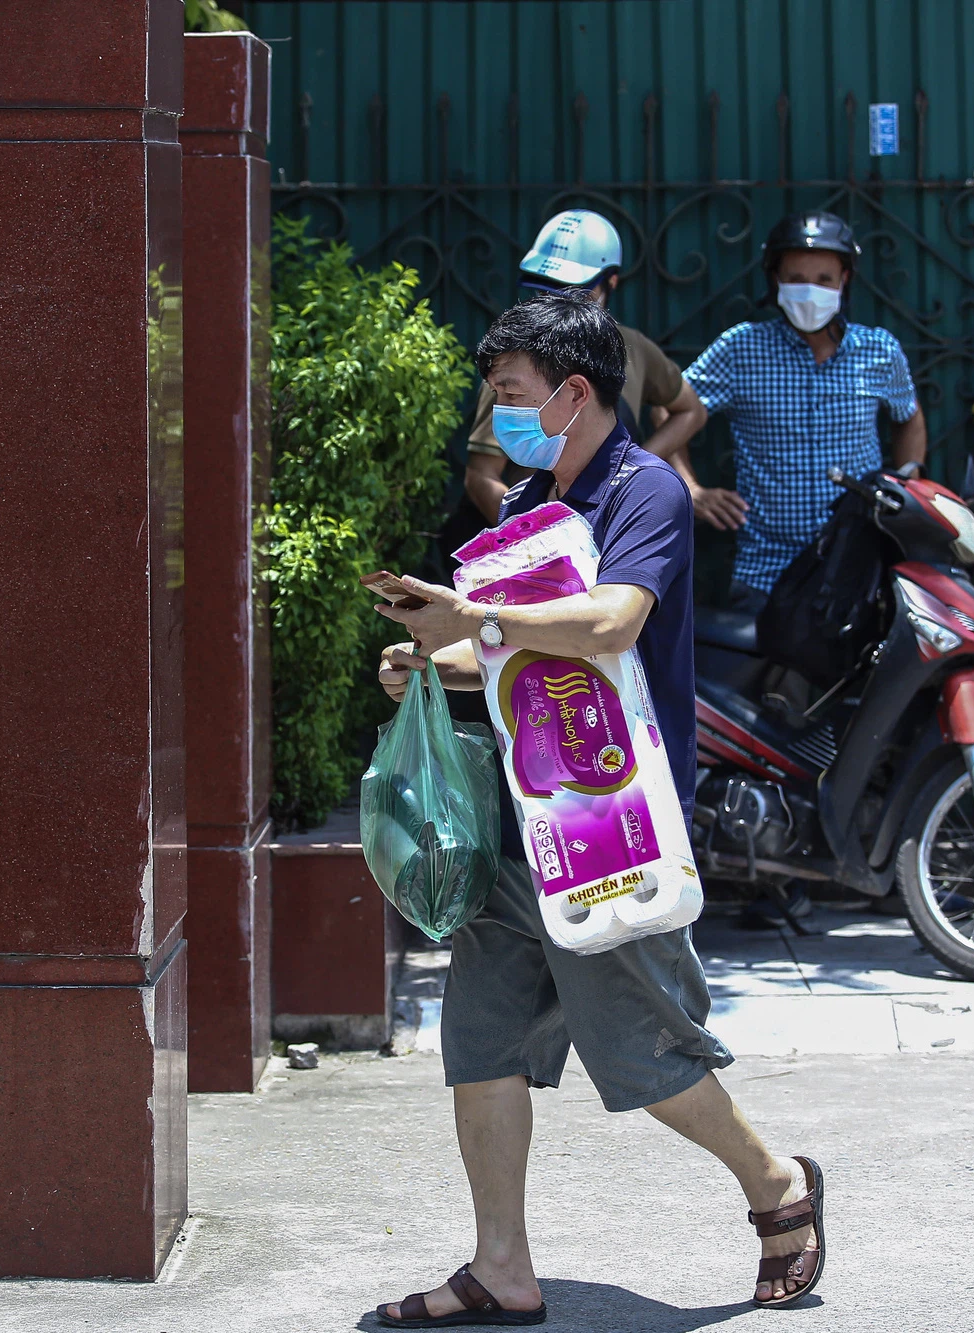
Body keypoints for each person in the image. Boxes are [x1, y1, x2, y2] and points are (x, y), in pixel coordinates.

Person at [369, 294, 825, 1325]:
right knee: (479, 1042)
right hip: (517, 810)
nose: (498, 414)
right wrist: (424, 663)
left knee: (642, 1053)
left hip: (606, 823)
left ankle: (776, 1184)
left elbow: (611, 622)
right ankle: (501, 1266)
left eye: (513, 394)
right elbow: (497, 646)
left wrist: (473, 615)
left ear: (574, 394)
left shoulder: (646, 493)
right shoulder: (532, 497)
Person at [660, 211, 927, 612]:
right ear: (775, 280)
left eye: (823, 280)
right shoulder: (741, 349)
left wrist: (908, 487)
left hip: (860, 566)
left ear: (844, 280)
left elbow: (907, 417)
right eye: (796, 279)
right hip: (767, 573)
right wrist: (691, 490)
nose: (810, 292)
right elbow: (668, 406)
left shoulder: (879, 351)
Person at [458, 208, 707, 527]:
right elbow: (481, 475)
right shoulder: (513, 366)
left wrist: (633, 467)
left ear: (610, 283)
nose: (561, 304)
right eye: (548, 291)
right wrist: (530, 542)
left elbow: (690, 410)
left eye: (577, 292)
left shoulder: (634, 349)